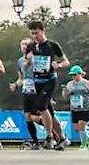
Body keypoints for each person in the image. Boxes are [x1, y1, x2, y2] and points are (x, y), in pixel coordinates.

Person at [23, 21, 69, 150]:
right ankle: (63, 138)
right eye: (32, 33)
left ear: (43, 31)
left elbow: (66, 61)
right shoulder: (31, 46)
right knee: (50, 113)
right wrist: (28, 61)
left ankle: (49, 138)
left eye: (37, 33)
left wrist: (58, 65)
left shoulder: (52, 45)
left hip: (50, 80)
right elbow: (25, 66)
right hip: (37, 81)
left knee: (41, 106)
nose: (34, 36)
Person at [63, 66, 89, 150]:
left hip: (86, 108)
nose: (73, 77)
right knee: (77, 128)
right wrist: (65, 92)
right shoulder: (69, 84)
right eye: (72, 75)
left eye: (75, 74)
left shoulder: (87, 83)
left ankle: (83, 145)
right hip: (75, 108)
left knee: (81, 125)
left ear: (80, 74)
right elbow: (66, 96)